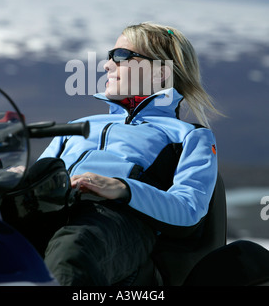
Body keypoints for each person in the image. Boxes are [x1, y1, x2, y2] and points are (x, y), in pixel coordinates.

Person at [38, 22, 221, 286]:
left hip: (115, 223)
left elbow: (189, 209)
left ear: (160, 73)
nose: (106, 65)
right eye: (109, 56)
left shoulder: (189, 136)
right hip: (49, 212)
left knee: (72, 250)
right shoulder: (77, 125)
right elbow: (40, 174)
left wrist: (123, 188)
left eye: (121, 56)